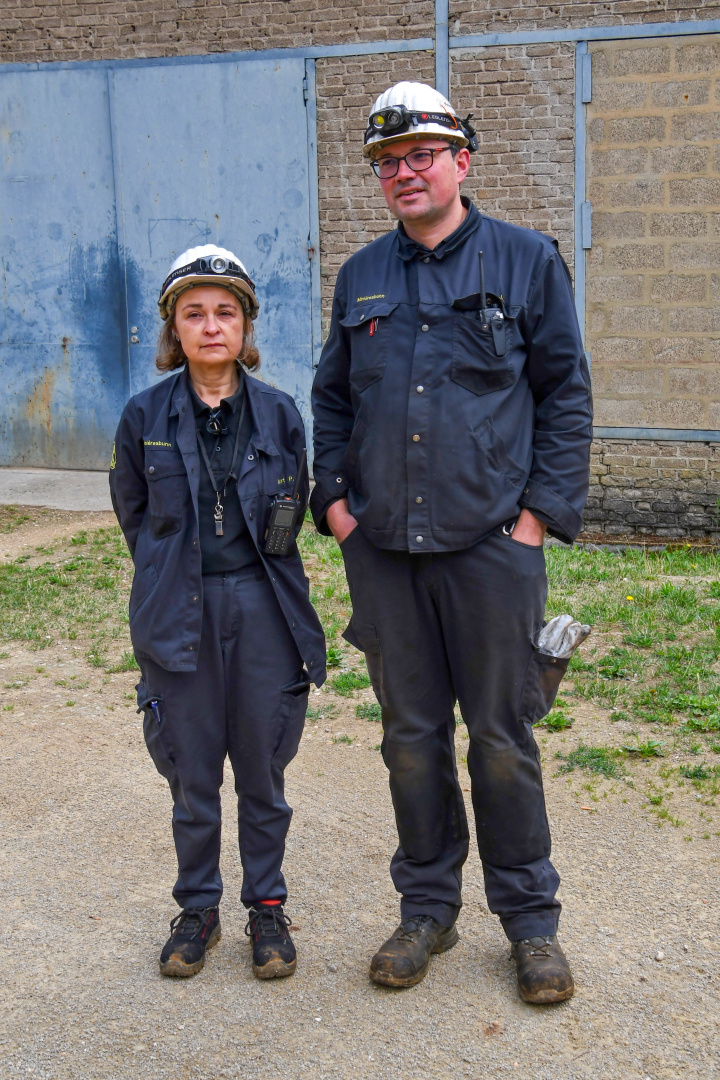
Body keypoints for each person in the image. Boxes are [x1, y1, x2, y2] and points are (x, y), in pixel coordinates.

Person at [310, 83, 592, 1003]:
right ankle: (426, 909)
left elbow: (565, 393)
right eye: (387, 163)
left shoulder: (526, 260)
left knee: (502, 739)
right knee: (410, 739)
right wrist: (335, 505)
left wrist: (537, 519)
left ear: (461, 160)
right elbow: (332, 399)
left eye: (421, 156)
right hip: (386, 552)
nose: (404, 173)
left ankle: (532, 925)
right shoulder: (361, 276)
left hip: (491, 548)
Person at [110, 244, 325, 980]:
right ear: (174, 328)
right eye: (194, 313)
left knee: (262, 771)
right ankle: (198, 908)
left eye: (225, 312)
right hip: (180, 609)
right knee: (193, 775)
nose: (210, 326)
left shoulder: (280, 413)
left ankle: (266, 908)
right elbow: (135, 516)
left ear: (245, 325)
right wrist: (170, 577)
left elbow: (292, 506)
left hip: (263, 607)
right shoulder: (144, 416)